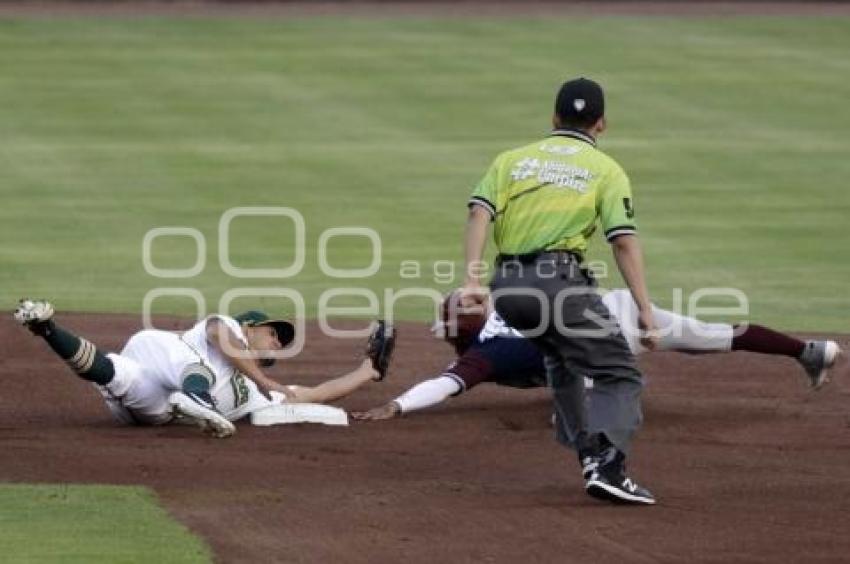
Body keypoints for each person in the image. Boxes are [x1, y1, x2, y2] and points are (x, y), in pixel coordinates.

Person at [462, 77, 659, 504]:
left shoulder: (512, 160)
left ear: (554, 117)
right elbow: (623, 241)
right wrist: (644, 308)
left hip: (508, 289)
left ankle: (588, 452)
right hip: (559, 285)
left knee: (560, 357)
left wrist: (472, 281)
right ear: (601, 124)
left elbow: (480, 212)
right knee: (620, 372)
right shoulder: (606, 169)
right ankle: (609, 466)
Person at [352, 290, 843, 423]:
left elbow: (444, 384)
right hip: (616, 306)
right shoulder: (508, 301)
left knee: (573, 412)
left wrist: (397, 405)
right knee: (710, 336)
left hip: (600, 337)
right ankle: (808, 350)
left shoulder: (487, 354)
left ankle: (613, 391)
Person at [13, 298, 396, 438]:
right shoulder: (229, 328)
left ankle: (44, 327)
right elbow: (218, 335)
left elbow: (309, 395)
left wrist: (367, 373)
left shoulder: (260, 396)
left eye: (281, 339)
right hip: (161, 352)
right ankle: (196, 398)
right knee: (196, 371)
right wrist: (262, 378)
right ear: (249, 326)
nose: (278, 342)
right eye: (273, 332)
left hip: (152, 407)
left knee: (116, 375)